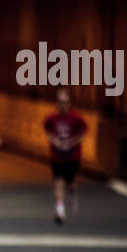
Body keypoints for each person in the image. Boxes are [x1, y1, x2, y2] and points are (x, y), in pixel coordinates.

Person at [44, 88, 87, 224]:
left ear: (69, 103)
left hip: (72, 155)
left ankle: (73, 194)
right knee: (59, 181)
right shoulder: (51, 118)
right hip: (57, 155)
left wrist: (72, 143)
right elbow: (48, 132)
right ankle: (60, 210)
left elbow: (83, 133)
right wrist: (55, 141)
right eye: (60, 102)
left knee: (71, 183)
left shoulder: (76, 118)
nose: (62, 105)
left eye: (65, 102)